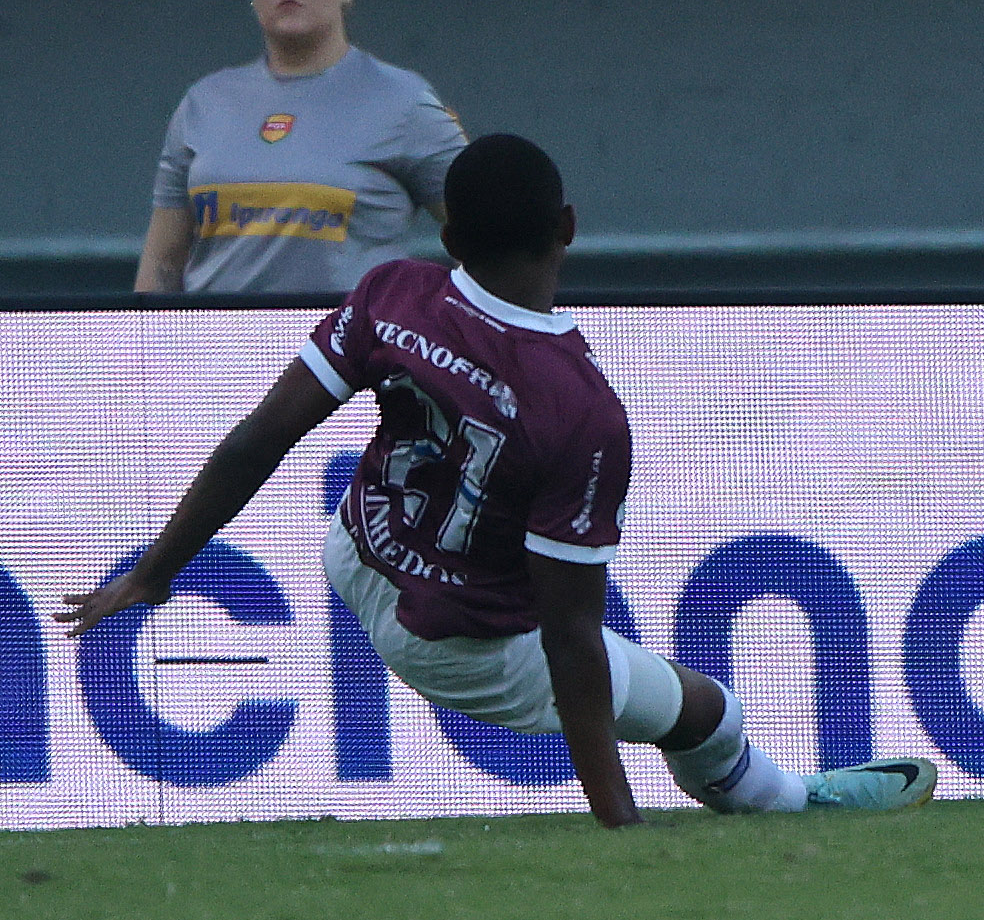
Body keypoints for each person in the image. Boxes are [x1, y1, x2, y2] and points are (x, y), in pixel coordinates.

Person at [64, 133, 936, 826]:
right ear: (567, 226)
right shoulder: (582, 408)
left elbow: (260, 438)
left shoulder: (394, 291)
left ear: (447, 237)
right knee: (709, 713)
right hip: (457, 644)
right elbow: (568, 638)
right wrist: (616, 814)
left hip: (355, 552)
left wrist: (155, 570)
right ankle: (797, 802)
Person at [136, 0, 467, 294]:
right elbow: (163, 263)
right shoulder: (203, 103)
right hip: (217, 353)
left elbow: (488, 245)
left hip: (346, 355)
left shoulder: (403, 102)